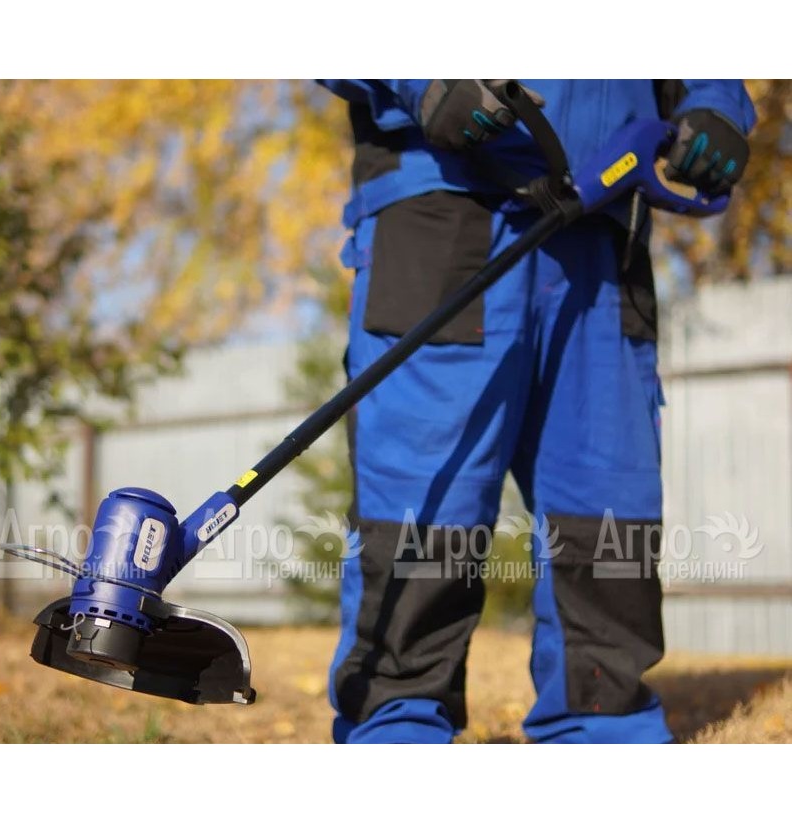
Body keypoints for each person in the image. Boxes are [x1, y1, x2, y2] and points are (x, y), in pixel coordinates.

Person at [317, 79, 756, 743]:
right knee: (424, 496)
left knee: (606, 499)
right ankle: (396, 727)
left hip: (603, 225)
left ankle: (602, 722)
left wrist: (717, 102)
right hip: (443, 210)